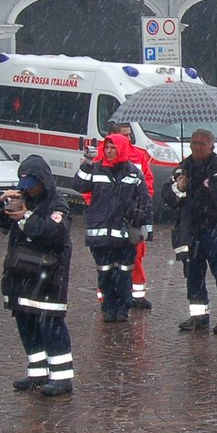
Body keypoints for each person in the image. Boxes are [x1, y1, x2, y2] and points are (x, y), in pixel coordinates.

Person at [0, 156, 75, 396]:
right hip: (21, 273)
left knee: (51, 324)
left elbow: (54, 234)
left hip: (48, 275)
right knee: (26, 321)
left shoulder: (58, 204)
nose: (27, 189)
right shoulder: (22, 198)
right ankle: (37, 371)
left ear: (43, 181)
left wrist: (26, 217)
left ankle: (61, 377)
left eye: (31, 184)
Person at [164, 128, 217, 334]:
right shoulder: (182, 169)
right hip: (192, 232)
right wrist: (178, 188)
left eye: (201, 143)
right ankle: (198, 317)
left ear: (211, 146)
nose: (197, 147)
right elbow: (168, 197)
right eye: (193, 143)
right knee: (193, 275)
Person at [75, 132, 152, 324]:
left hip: (125, 236)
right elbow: (79, 185)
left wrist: (145, 229)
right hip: (101, 236)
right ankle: (109, 307)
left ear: (122, 149)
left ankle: (123, 308)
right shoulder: (96, 170)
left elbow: (144, 200)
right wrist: (87, 163)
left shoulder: (133, 172)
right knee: (105, 274)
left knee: (124, 273)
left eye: (113, 148)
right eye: (106, 147)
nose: (109, 151)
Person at [110, 122, 157, 311]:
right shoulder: (102, 157)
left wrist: (139, 205)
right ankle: (111, 297)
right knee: (109, 262)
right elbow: (92, 192)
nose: (129, 139)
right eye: (124, 135)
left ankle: (136, 296)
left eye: (130, 135)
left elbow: (148, 183)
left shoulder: (138, 155)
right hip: (111, 218)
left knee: (136, 257)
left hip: (133, 217)